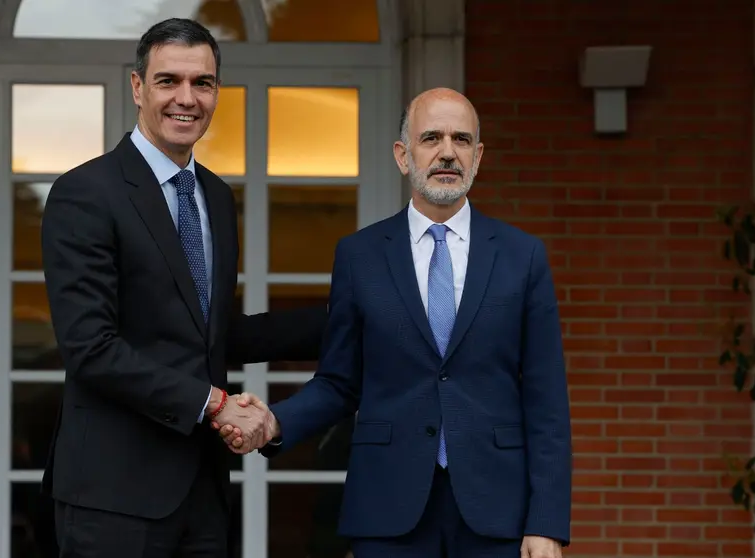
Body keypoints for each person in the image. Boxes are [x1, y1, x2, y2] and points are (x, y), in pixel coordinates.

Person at [217, 87, 572, 557]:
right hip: (388, 512)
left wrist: (545, 522)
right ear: (404, 156)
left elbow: (546, 401)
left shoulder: (522, 257)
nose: (448, 152)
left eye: (461, 140)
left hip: (498, 514)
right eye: (432, 138)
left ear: (478, 156)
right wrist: (274, 422)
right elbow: (340, 382)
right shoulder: (359, 256)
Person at [39, 18, 327, 558]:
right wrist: (215, 403)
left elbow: (210, 335)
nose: (186, 99)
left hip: (202, 492)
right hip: (113, 495)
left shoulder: (215, 197)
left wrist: (348, 319)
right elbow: (90, 348)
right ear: (137, 87)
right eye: (169, 80)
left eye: (203, 83)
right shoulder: (86, 193)